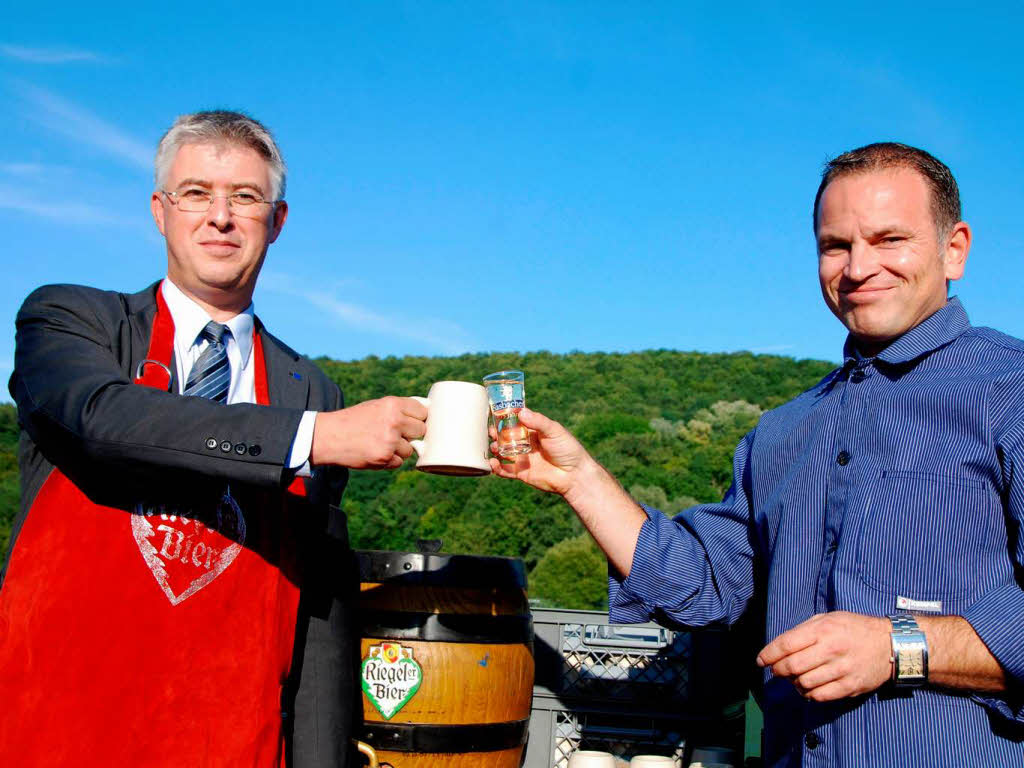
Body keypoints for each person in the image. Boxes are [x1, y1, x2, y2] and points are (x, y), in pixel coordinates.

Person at [493, 143, 1024, 765]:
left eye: (889, 240)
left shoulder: (1008, 391)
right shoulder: (780, 432)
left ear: (954, 247)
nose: (858, 267)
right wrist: (580, 480)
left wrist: (899, 647)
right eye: (835, 245)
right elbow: (704, 585)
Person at [0, 110, 428, 767]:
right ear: (160, 210)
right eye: (196, 193)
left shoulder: (308, 390)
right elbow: (101, 418)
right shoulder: (72, 321)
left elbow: (317, 614)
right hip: (54, 736)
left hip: (231, 745)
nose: (220, 217)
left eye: (246, 197)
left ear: (277, 221)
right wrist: (310, 437)